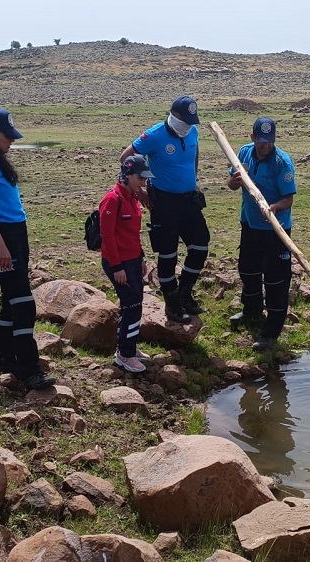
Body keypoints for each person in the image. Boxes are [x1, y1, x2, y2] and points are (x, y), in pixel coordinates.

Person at [0, 107, 55, 391]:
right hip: (2, 238)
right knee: (23, 303)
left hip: (16, 234)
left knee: (11, 300)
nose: (12, 141)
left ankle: (6, 360)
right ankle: (29, 369)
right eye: (8, 136)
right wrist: (1, 246)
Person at [120, 95, 205, 324]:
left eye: (191, 121)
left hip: (189, 201)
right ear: (174, 115)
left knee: (200, 246)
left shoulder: (192, 132)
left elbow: (194, 154)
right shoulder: (155, 135)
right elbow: (126, 157)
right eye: (184, 120)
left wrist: (193, 179)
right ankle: (172, 303)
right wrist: (140, 191)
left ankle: (185, 293)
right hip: (164, 203)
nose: (187, 125)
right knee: (167, 255)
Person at [227, 117, 296, 351]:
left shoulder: (282, 162)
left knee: (276, 280)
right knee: (248, 272)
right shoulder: (244, 153)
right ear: (253, 137)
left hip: (276, 230)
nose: (266, 145)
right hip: (250, 225)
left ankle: (271, 330)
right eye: (262, 141)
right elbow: (231, 185)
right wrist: (235, 180)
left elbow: (289, 198)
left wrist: (274, 208)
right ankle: (251, 312)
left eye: (270, 141)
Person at [99, 155, 154, 373]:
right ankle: (125, 354)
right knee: (132, 304)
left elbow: (133, 234)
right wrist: (117, 267)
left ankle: (128, 346)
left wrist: (140, 258)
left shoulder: (132, 197)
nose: (144, 182)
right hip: (119, 262)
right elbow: (108, 237)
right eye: (141, 178)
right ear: (128, 174)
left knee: (134, 303)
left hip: (132, 259)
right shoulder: (113, 199)